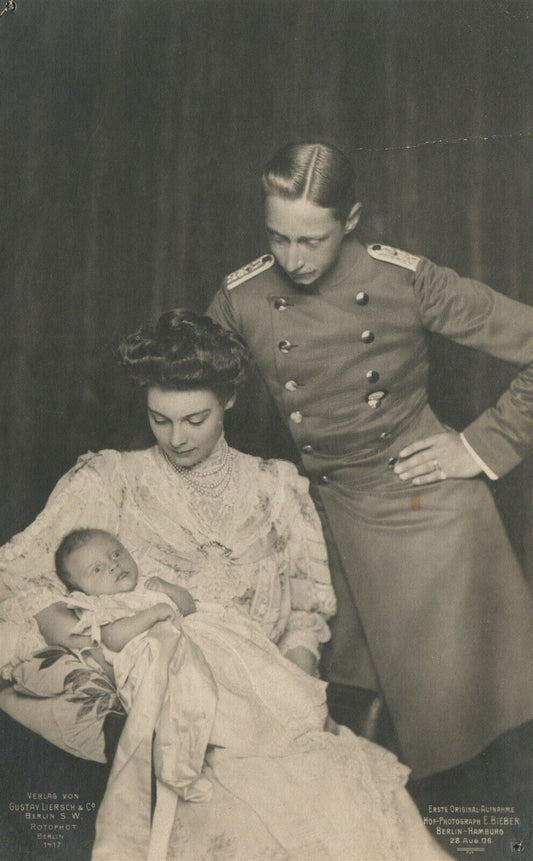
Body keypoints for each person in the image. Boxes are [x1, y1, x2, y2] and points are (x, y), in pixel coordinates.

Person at [0, 309, 450, 860]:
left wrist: (293, 702)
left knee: (336, 803)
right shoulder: (110, 480)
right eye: (159, 419)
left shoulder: (276, 488)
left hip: (265, 702)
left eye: (195, 419)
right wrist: (76, 635)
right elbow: (18, 578)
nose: (176, 438)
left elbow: (306, 614)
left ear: (229, 401)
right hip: (166, 712)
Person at [207, 140, 533, 781]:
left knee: (464, 744)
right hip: (321, 516)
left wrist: (477, 446)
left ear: (351, 220)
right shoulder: (241, 297)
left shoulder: (406, 280)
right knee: (331, 731)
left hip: (426, 514)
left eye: (313, 240)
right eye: (279, 238)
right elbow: (191, 387)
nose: (293, 260)